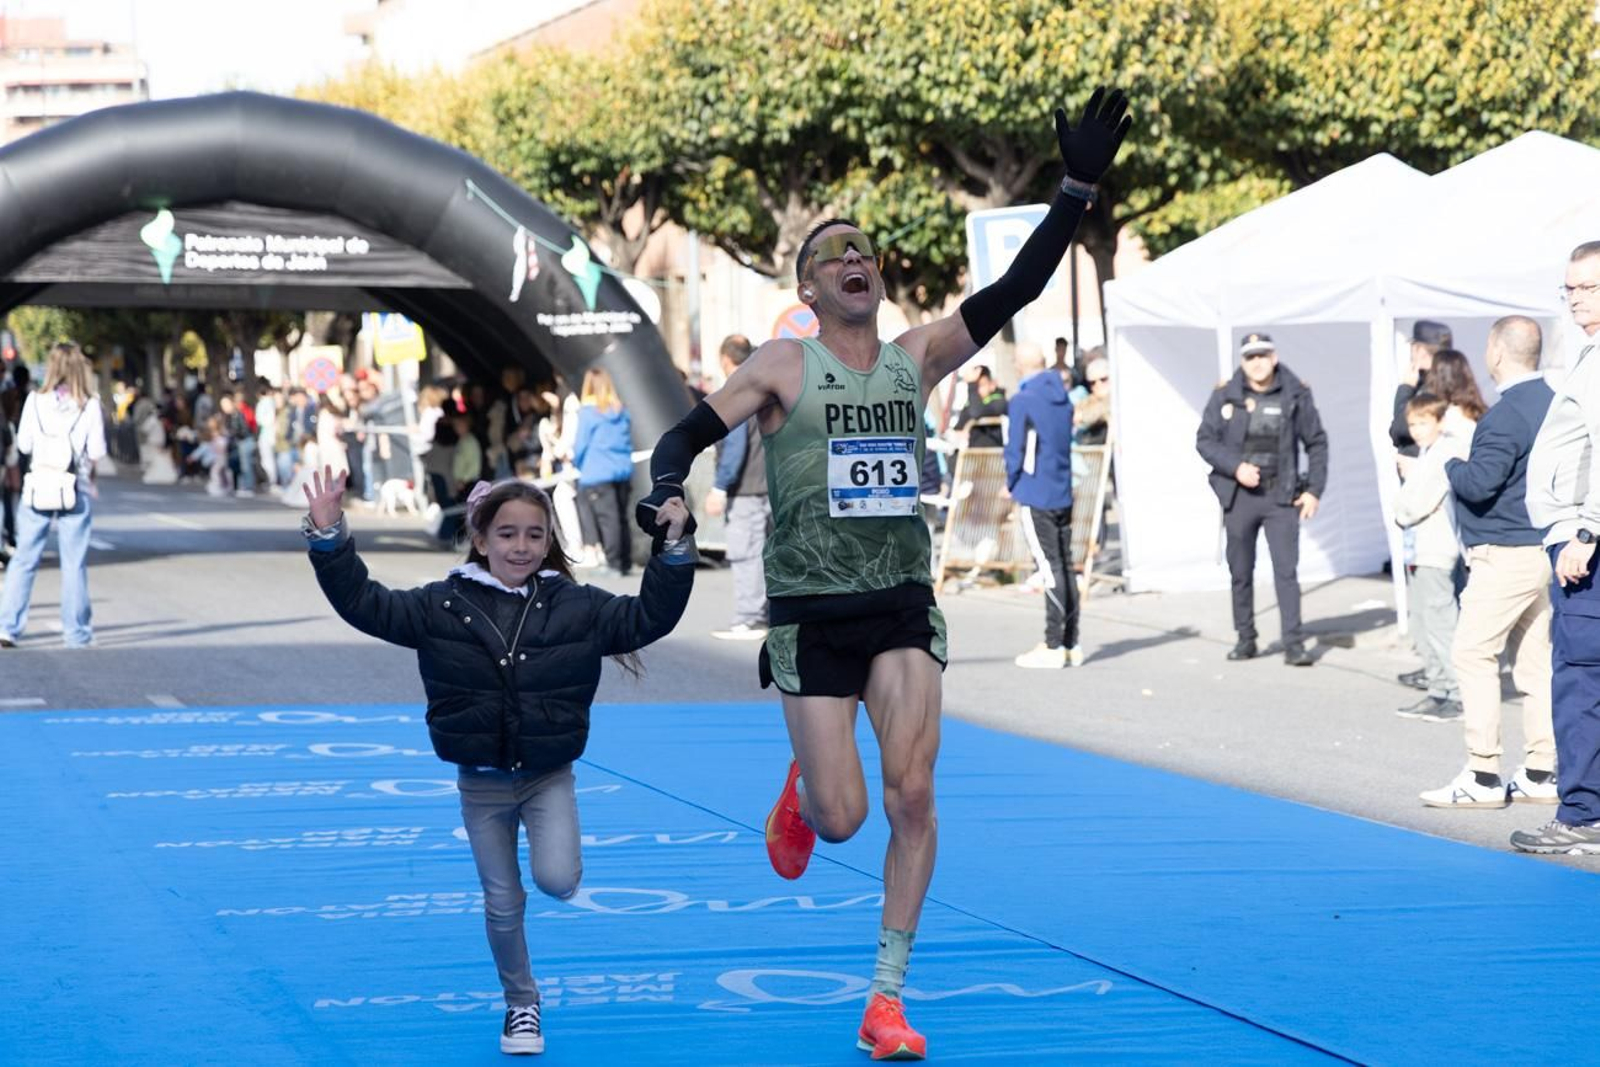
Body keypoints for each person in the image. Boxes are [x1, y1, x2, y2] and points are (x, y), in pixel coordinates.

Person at [633, 86, 1131, 1060]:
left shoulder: (917, 357)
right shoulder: (780, 366)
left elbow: (1015, 291)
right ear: (808, 289)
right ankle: (803, 784)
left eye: (864, 251)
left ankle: (885, 997)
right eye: (834, 255)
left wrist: (1073, 187)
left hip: (901, 605)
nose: (855, 260)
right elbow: (686, 433)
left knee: (913, 794)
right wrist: (666, 492)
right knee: (846, 816)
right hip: (813, 615)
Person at [302, 469, 695, 1054]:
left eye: (535, 536)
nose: (521, 547)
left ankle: (527, 982)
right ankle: (521, 1006)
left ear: (548, 542)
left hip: (547, 774)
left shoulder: (577, 605)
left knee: (557, 880)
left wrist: (673, 550)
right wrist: (329, 535)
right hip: (480, 782)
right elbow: (365, 604)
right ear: (481, 539)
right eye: (507, 534)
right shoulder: (440, 604)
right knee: (503, 900)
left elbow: (647, 618)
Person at [1418, 321, 1556, 808]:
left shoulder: (1506, 415)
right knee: (1535, 664)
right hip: (1542, 547)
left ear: (1496, 351)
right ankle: (1542, 769)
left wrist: (1450, 461)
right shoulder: (1553, 402)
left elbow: (1479, 483)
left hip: (1504, 553)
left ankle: (1482, 774)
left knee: (1472, 654)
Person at [1518, 243, 1600, 853]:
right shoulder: (1587, 354)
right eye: (1569, 288)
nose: (1575, 298)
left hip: (1584, 540)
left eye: (1588, 287)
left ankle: (1582, 816)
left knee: (1579, 679)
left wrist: (1586, 530)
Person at [1194, 332, 1328, 666]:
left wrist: (1313, 490)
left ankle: (1294, 643)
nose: (1257, 363)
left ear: (1274, 357)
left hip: (1281, 495)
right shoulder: (1226, 395)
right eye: (1250, 357)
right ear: (1243, 362)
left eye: (1262, 356)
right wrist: (1236, 467)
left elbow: (1317, 442)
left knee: (1286, 571)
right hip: (1241, 496)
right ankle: (1246, 638)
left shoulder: (1295, 393)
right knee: (1240, 571)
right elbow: (1205, 441)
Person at [0, 342, 107, 649]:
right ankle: (76, 632)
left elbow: (24, 445)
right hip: (75, 486)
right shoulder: (89, 404)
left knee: (23, 560)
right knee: (74, 562)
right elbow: (97, 450)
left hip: (39, 486)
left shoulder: (35, 400)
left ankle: (8, 627)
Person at [1391, 393, 1469, 720]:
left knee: (1440, 621)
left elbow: (1413, 502)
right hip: (1420, 547)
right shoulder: (1427, 453)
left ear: (1439, 421)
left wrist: (1404, 501)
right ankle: (1438, 688)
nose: (1417, 430)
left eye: (1423, 423)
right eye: (1413, 424)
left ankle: (1456, 691)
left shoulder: (1444, 452)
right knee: (1424, 621)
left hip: (1437, 548)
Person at [1004, 341, 1082, 668]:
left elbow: (1016, 448)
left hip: (1036, 492)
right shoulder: (1062, 397)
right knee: (1064, 564)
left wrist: (1012, 482)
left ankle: (1052, 645)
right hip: (1061, 488)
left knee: (1049, 568)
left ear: (1020, 366)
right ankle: (1070, 642)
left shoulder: (1023, 400)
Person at [705, 334, 773, 640]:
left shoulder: (735, 391)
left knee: (746, 554)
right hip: (769, 484)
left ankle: (750, 618)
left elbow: (734, 444)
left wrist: (719, 486)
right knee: (767, 552)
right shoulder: (768, 387)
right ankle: (765, 614)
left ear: (725, 361)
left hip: (744, 488)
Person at [573, 368, 635, 576]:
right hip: (622, 470)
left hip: (597, 471)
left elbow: (580, 445)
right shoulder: (622, 411)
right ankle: (625, 561)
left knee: (608, 520)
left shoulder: (588, 413)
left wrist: (578, 464)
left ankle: (613, 564)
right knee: (621, 518)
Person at [1391, 320, 1454, 456]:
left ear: (1419, 350)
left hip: (1424, 468)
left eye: (1413, 346)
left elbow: (1399, 430)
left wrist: (1405, 388)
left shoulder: (1431, 386)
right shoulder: (1454, 380)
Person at [951, 363, 1007, 449]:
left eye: (981, 385)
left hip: (992, 456)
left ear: (992, 384)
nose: (978, 391)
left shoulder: (999, 402)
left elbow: (977, 413)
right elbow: (958, 428)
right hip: (968, 455)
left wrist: (972, 386)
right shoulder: (971, 404)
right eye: (976, 386)